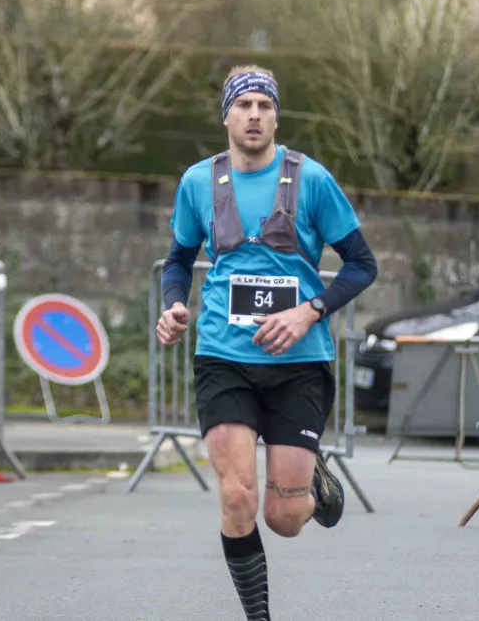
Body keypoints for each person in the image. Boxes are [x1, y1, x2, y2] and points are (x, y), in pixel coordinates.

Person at [155, 65, 377, 621]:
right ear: (226, 116)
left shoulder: (311, 179)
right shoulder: (198, 182)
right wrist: (175, 305)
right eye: (244, 105)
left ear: (276, 117)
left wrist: (309, 311)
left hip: (299, 363)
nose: (254, 115)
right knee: (236, 496)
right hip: (223, 357)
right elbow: (178, 260)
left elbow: (362, 264)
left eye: (265, 106)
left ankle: (313, 478)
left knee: (284, 519)